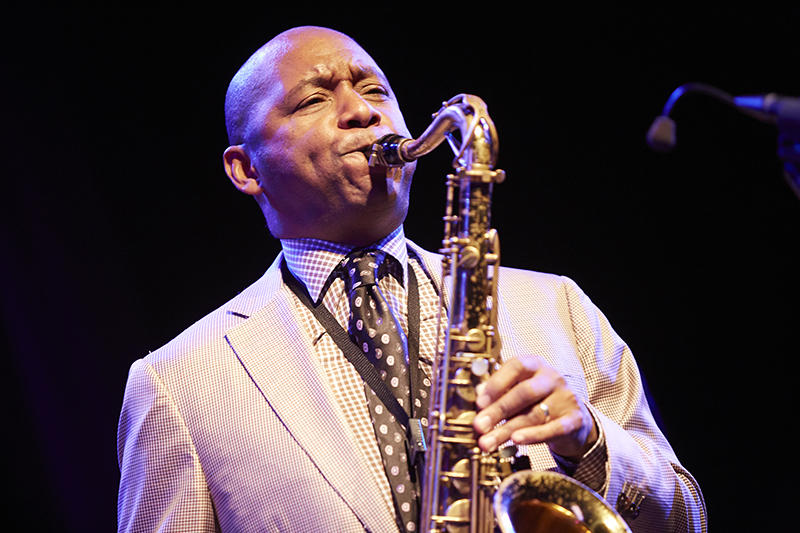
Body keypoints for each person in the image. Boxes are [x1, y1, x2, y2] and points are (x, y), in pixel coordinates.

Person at [117, 25, 707, 533]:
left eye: (375, 89)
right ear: (245, 169)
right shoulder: (178, 382)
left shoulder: (556, 305)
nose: (363, 110)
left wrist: (590, 444)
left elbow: (686, 520)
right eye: (313, 100)